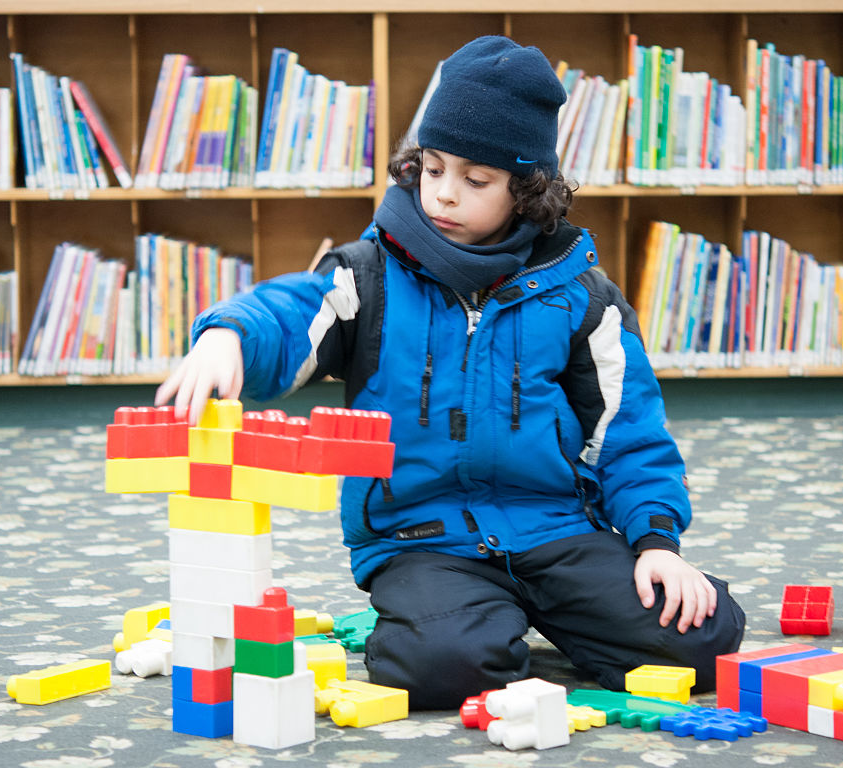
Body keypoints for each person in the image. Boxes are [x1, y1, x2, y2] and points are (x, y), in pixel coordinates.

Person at [156, 35, 746, 710]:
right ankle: (464, 622)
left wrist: (655, 541)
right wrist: (231, 335)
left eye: (475, 180)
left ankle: (528, 617)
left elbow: (629, 433)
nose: (444, 194)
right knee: (442, 667)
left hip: (553, 526)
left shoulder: (582, 297)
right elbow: (293, 313)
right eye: (433, 169)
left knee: (705, 640)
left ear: (526, 194)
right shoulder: (369, 276)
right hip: (422, 536)